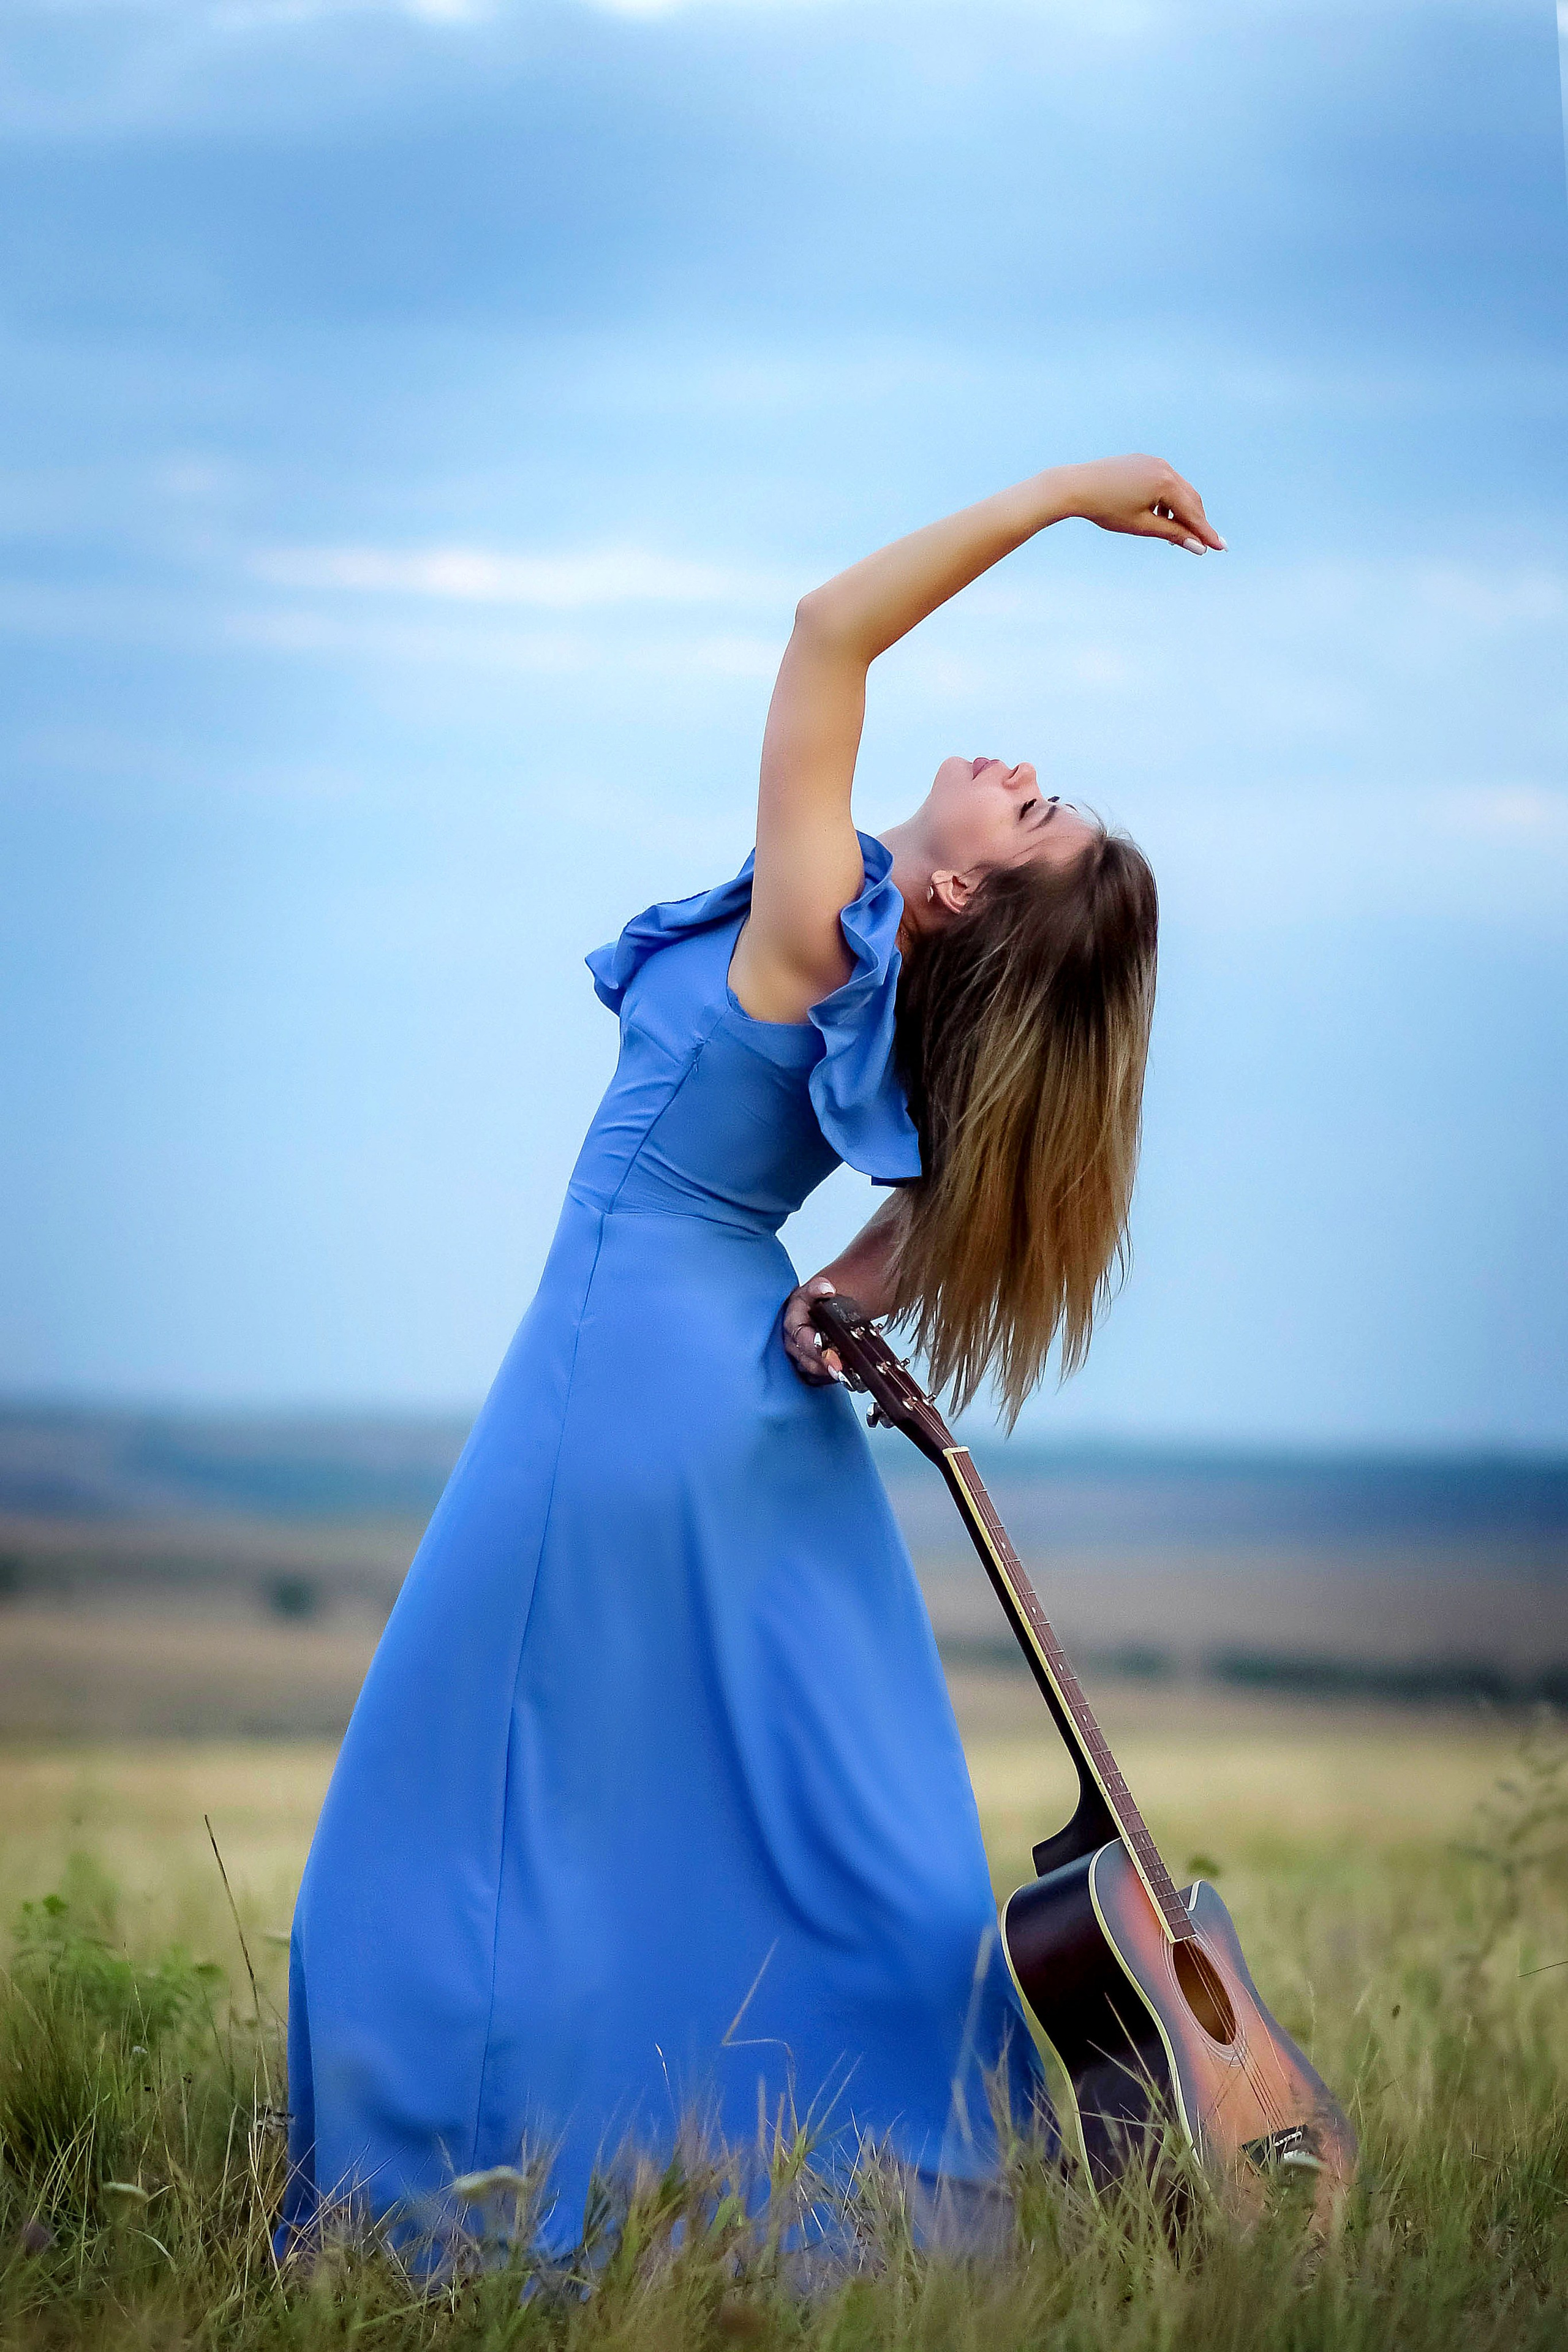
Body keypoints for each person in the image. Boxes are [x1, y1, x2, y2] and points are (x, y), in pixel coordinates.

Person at [279, 453, 1222, 2258]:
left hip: (623, 1363)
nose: (1025, 779)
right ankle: (875, 2205)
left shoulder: (816, 931)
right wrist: (853, 1276)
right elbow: (955, 1195)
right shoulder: (871, 972)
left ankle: (445, 2205)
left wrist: (1068, 497)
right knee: (806, 1822)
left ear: (959, 902)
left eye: (1038, 822)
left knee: (457, 1807)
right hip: (738, 1397)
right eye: (1053, 798)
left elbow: (822, 635)